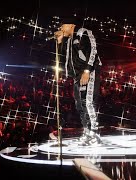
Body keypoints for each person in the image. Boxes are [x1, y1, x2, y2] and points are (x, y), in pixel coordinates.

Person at [54, 16, 103, 145]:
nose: (60, 29)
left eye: (62, 26)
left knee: (88, 102)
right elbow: (63, 57)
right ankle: (87, 132)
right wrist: (60, 42)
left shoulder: (83, 32)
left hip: (89, 72)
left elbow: (93, 50)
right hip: (77, 76)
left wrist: (87, 71)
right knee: (79, 104)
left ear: (70, 25)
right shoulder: (68, 40)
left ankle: (95, 133)